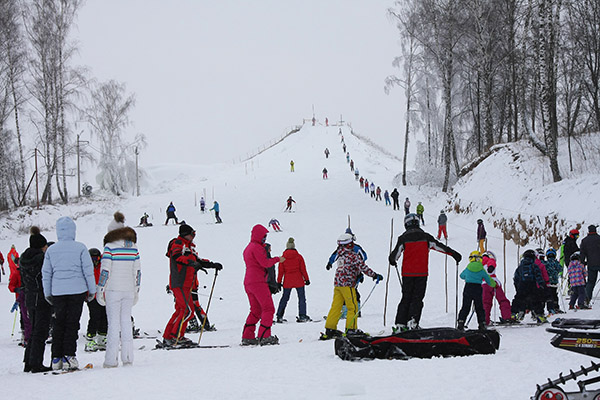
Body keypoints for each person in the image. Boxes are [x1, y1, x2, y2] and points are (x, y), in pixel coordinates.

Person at [389, 213, 461, 332]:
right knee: (417, 298)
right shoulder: (426, 237)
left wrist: (392, 260)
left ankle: (400, 324)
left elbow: (394, 256)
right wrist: (453, 254)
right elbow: (440, 247)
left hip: (407, 274)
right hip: (421, 273)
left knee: (406, 298)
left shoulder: (403, 238)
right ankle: (412, 322)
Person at [42, 216, 96, 371]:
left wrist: (47, 293)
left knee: (58, 324)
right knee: (72, 324)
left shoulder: (51, 250)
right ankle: (69, 356)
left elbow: (47, 273)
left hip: (58, 292)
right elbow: (88, 271)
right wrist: (92, 290)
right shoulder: (80, 248)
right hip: (77, 292)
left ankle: (56, 358)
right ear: (73, 231)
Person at [162, 224, 222, 346]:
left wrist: (212, 265)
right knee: (187, 311)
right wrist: (190, 262)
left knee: (181, 311)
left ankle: (168, 336)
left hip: (187, 283)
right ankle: (176, 337)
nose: (193, 237)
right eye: (192, 234)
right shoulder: (178, 243)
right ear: (185, 234)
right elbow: (176, 256)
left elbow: (198, 261)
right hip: (179, 281)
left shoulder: (189, 247)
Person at [96, 212, 141, 368]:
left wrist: (100, 290)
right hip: (128, 290)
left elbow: (105, 271)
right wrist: (136, 290)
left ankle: (111, 360)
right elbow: (137, 272)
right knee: (126, 322)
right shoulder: (133, 247)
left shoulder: (109, 247)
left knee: (113, 324)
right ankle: (128, 357)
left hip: (113, 290)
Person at [321, 233, 382, 339]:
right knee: (352, 307)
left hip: (338, 285)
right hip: (347, 285)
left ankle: (330, 329)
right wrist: (374, 275)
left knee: (336, 307)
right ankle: (351, 329)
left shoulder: (340, 255)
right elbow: (363, 267)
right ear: (349, 245)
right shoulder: (352, 255)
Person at [242, 224, 283, 346]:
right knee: (268, 308)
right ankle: (264, 336)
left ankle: (247, 336)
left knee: (256, 310)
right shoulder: (257, 248)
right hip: (258, 281)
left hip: (248, 282)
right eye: (264, 236)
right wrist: (277, 259)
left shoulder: (248, 247)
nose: (265, 239)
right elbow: (265, 263)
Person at [20, 227, 52, 373]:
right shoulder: (41, 259)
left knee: (33, 330)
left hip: (29, 297)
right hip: (41, 298)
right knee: (41, 331)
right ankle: (36, 363)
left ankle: (28, 361)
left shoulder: (24, 258)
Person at [326, 228, 367, 319]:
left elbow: (364, 257)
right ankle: (349, 311)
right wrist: (330, 263)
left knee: (352, 292)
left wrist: (330, 263)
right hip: (348, 274)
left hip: (354, 274)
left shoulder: (355, 248)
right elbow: (335, 255)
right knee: (348, 293)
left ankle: (354, 311)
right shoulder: (344, 249)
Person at [457, 251, 496, 330]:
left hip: (468, 287)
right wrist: (494, 284)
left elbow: (461, 276)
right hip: (478, 288)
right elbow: (488, 279)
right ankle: (482, 324)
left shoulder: (468, 267)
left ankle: (461, 322)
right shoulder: (481, 269)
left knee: (465, 306)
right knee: (479, 307)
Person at [276, 238, 311, 323]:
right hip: (299, 280)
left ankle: (279, 316)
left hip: (287, 281)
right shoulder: (299, 257)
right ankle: (302, 315)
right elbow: (303, 269)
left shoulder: (283, 258)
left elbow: (280, 272)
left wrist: (279, 282)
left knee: (285, 298)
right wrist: (306, 279)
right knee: (301, 298)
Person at [510, 249, 548, 323]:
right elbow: (539, 276)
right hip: (532, 285)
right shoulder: (534, 266)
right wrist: (542, 285)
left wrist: (517, 287)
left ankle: (513, 314)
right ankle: (540, 315)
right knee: (536, 300)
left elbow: (516, 278)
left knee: (518, 300)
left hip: (522, 285)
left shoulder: (520, 267)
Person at [84, 248, 108, 352]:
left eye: (96, 259)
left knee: (104, 316)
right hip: (92, 296)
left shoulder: (103, 265)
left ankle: (102, 338)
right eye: (92, 259)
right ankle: (90, 338)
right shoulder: (86, 267)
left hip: (103, 295)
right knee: (95, 317)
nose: (94, 261)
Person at [481, 251, 513, 325]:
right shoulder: (490, 260)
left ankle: (485, 320)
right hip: (493, 283)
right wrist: (491, 267)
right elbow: (491, 264)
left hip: (484, 284)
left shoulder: (480, 264)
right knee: (503, 300)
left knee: (486, 303)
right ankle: (507, 317)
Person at [8, 244, 30, 347]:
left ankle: (29, 335)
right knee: (23, 317)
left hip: (30, 297)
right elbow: (11, 285)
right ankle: (24, 334)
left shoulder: (29, 271)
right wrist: (15, 289)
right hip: (20, 298)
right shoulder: (17, 273)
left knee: (29, 316)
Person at [582, 225, 600, 305]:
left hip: (591, 264)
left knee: (590, 282)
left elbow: (582, 253)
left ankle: (587, 298)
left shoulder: (584, 241)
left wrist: (582, 263)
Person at [543, 248, 564, 313]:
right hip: (554, 282)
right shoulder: (556, 263)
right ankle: (556, 307)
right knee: (554, 295)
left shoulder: (546, 263)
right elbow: (560, 269)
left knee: (549, 295)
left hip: (548, 282)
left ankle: (550, 308)